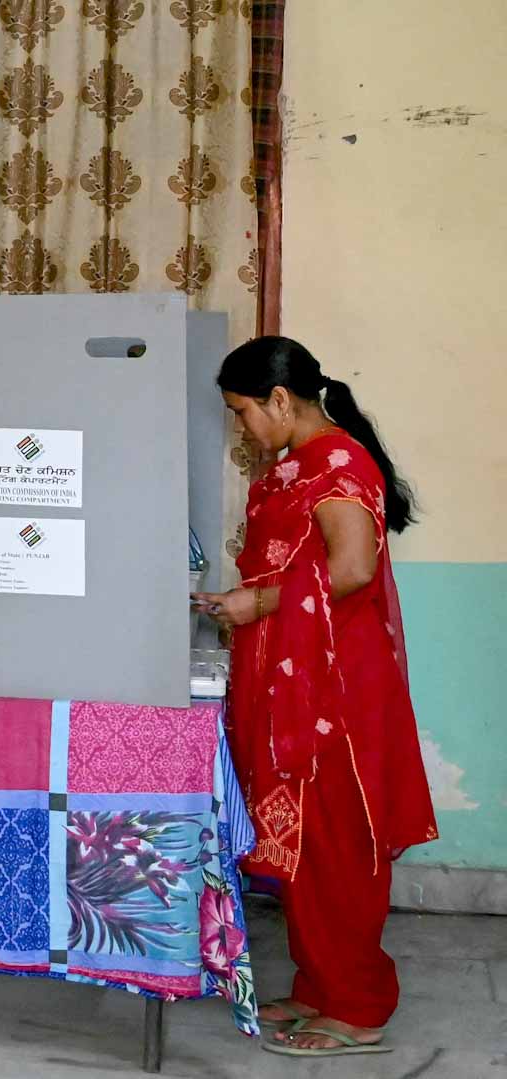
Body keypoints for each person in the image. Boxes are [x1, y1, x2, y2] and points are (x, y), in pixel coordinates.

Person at [193, 336, 436, 1059]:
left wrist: (259, 602)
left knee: (337, 842)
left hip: (336, 686)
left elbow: (354, 569)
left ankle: (358, 1007)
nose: (240, 426)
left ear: (278, 400)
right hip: (292, 675)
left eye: (242, 411)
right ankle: (319, 985)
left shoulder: (339, 464)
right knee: (301, 841)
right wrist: (242, 602)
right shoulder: (295, 463)